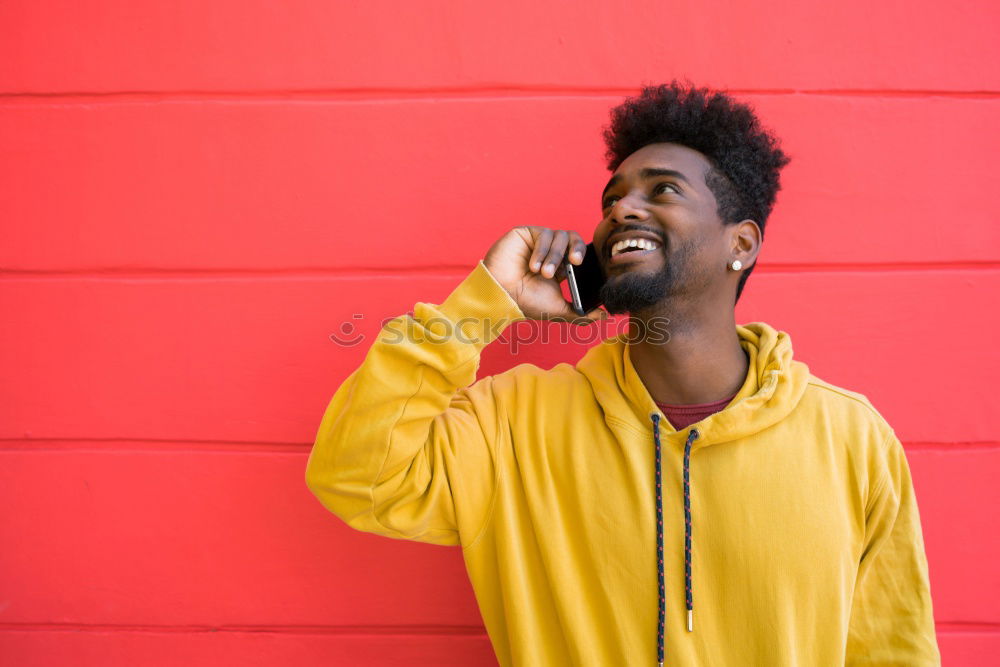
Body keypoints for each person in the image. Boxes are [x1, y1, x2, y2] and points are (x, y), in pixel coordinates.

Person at [305, 81, 941, 666]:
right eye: (613, 199)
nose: (621, 210)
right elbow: (357, 476)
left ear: (740, 245)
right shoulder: (513, 423)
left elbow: (893, 650)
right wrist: (485, 304)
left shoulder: (851, 437)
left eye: (661, 190)